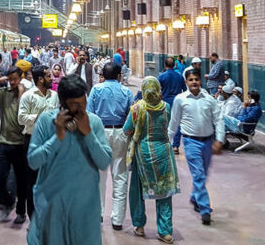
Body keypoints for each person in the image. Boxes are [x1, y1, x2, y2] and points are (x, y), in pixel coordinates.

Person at [27, 76, 112, 245]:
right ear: (63, 103)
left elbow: (104, 162)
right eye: (75, 105)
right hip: (52, 204)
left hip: (85, 207)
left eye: (83, 103)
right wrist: (57, 137)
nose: (81, 110)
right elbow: (33, 161)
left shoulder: (93, 122)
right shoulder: (46, 122)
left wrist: (88, 133)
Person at [124, 77, 180, 243]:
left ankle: (140, 225)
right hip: (163, 152)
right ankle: (165, 231)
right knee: (164, 191)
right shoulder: (166, 107)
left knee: (137, 190)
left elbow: (127, 130)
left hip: (142, 154)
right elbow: (167, 125)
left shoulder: (137, 109)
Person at [168, 70, 224, 225]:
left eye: (196, 79)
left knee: (203, 174)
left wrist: (219, 139)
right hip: (190, 142)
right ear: (186, 82)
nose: (194, 82)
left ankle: (195, 196)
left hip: (208, 141)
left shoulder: (209, 99)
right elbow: (174, 122)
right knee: (198, 174)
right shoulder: (180, 100)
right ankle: (205, 209)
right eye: (191, 79)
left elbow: (218, 119)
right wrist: (168, 141)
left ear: (201, 81)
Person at [87, 62, 135, 230]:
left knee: (99, 176)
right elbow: (132, 114)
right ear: (119, 76)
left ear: (103, 75)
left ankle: (98, 214)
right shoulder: (126, 91)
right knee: (120, 175)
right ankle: (117, 219)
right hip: (121, 132)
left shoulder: (96, 90)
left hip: (100, 132)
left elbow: (90, 115)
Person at [0, 67, 32, 224]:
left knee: (21, 180)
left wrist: (21, 87)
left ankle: (20, 212)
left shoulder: (26, 93)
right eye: (10, 79)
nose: (12, 82)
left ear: (21, 78)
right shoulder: (4, 92)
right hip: (4, 142)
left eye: (15, 79)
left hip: (20, 143)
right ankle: (7, 202)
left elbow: (23, 105)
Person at [158, 57, 187, 155]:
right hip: (177, 102)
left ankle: (165, 143)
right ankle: (175, 146)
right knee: (177, 124)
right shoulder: (179, 77)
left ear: (165, 65)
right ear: (175, 65)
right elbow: (185, 90)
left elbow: (158, 91)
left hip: (165, 102)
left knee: (165, 123)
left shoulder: (162, 77)